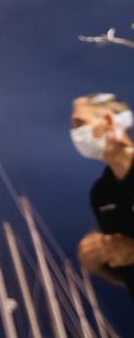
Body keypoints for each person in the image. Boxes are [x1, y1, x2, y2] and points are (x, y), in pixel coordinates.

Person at [71, 93, 134, 295]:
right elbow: (125, 272)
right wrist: (96, 261)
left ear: (108, 120)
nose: (75, 133)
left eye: (80, 123)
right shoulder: (102, 194)